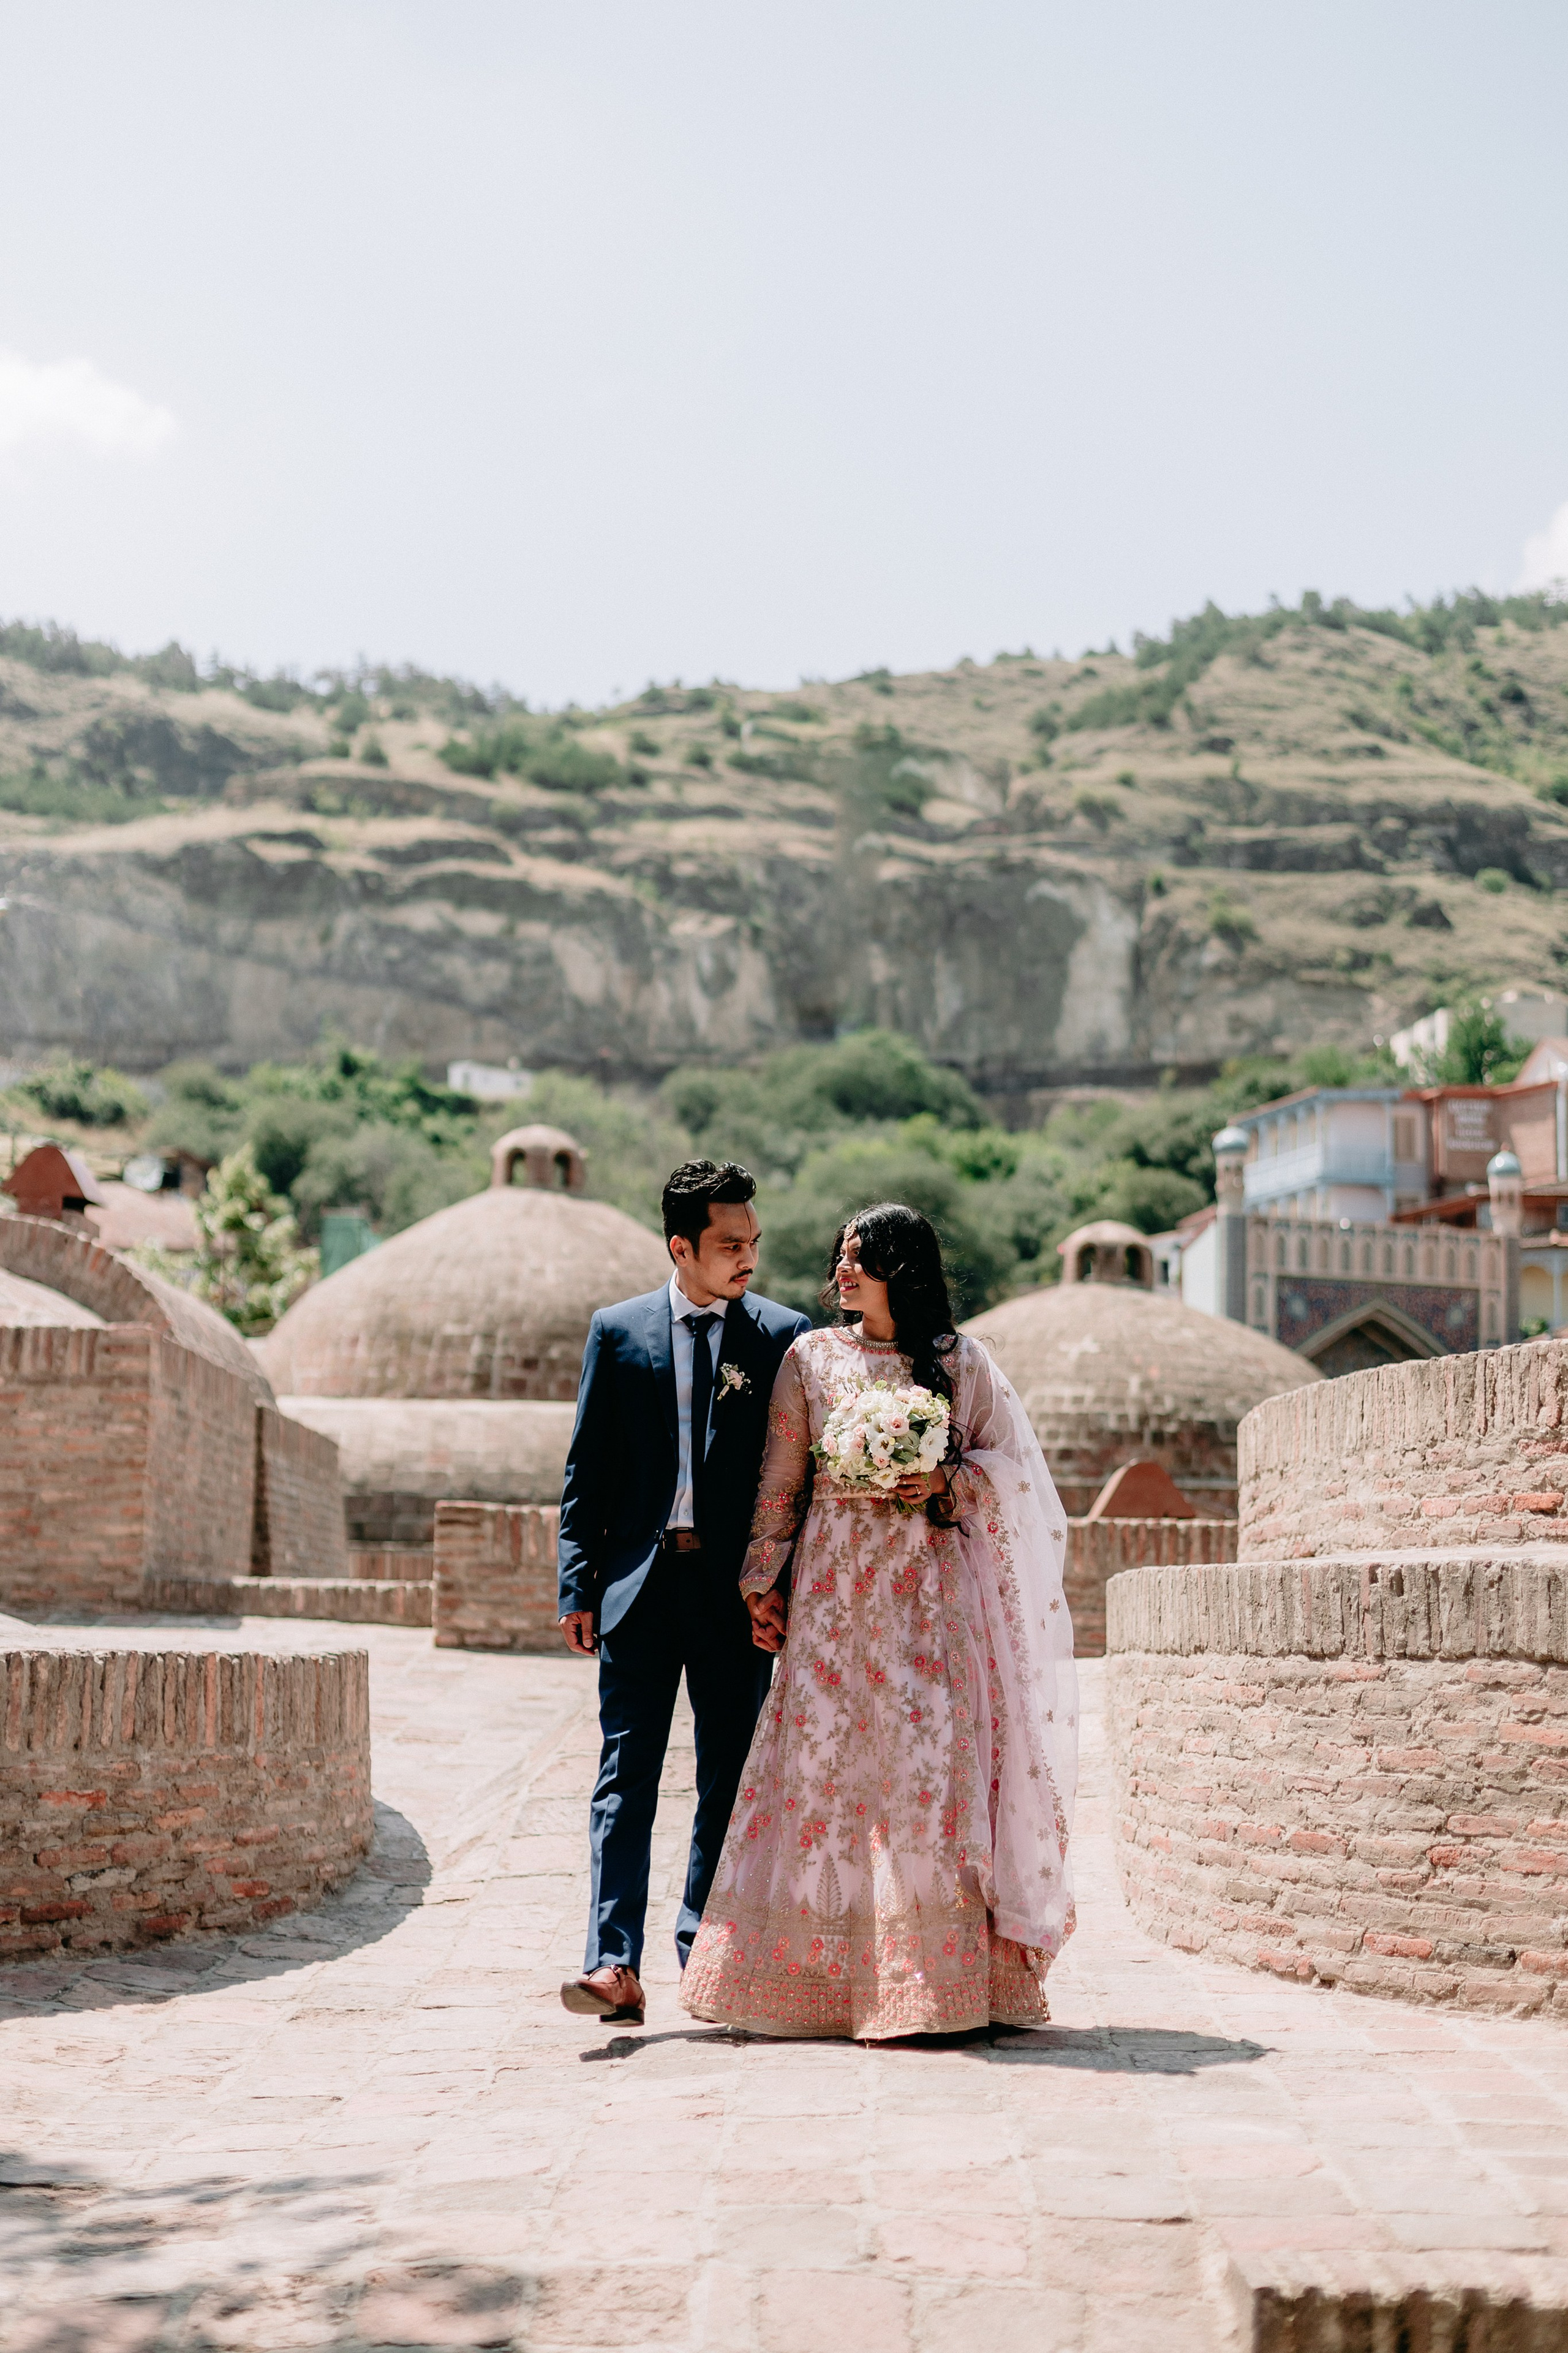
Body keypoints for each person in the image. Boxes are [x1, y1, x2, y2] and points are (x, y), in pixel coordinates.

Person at [679, 1202, 1076, 2040]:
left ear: (905, 1266)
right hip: (832, 1605)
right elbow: (783, 1479)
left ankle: (934, 1985)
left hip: (931, 1605)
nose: (845, 1270)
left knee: (929, 1775)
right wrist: (762, 1583)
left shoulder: (958, 1362)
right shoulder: (811, 1359)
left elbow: (1008, 1469)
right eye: (843, 1257)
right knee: (828, 1774)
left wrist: (944, 1485)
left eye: (864, 1258)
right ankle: (818, 1981)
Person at [557, 1158, 811, 2028]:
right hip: (638, 1585)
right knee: (624, 1773)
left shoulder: (782, 1335)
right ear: (681, 1246)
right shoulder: (617, 1331)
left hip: (736, 1594)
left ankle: (704, 1951)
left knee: (729, 1775)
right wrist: (577, 1583)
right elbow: (588, 1469)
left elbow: (796, 1482)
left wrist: (781, 1588)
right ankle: (613, 1961)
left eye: (753, 1242)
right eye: (728, 1243)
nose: (747, 1258)